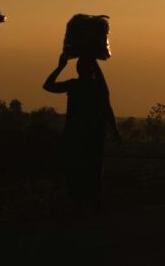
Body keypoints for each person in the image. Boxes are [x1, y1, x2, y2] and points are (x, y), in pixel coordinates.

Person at [43, 53, 121, 212]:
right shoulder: (98, 88)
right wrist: (114, 131)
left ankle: (81, 201)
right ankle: (92, 199)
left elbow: (48, 85)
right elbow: (107, 108)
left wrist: (60, 67)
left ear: (78, 70)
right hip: (91, 135)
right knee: (92, 167)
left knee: (76, 167)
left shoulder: (74, 85)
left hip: (76, 134)